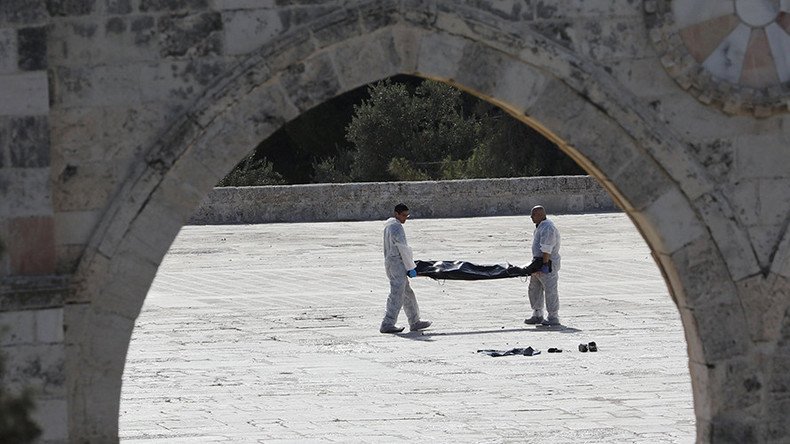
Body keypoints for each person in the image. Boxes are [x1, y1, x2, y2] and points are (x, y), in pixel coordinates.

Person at [380, 203, 432, 334]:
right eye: (403, 215)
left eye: (407, 216)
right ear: (396, 214)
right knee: (396, 294)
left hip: (390, 263)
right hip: (397, 264)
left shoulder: (388, 225)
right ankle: (388, 323)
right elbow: (403, 249)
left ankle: (414, 321)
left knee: (407, 293)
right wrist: (410, 267)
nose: (405, 218)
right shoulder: (396, 228)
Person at [523, 205, 562, 326]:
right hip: (537, 262)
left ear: (540, 214)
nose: (531, 217)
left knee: (550, 290)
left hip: (547, 263)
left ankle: (553, 316)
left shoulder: (548, 228)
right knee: (534, 288)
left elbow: (547, 249)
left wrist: (545, 265)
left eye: (533, 214)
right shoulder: (540, 227)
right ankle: (537, 313)